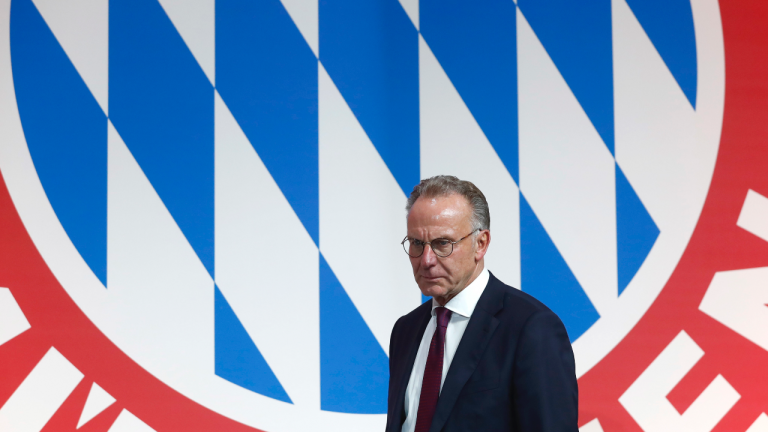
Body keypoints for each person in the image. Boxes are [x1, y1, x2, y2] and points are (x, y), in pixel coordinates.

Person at [386, 175, 578, 432]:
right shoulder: (405, 330)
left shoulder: (531, 328)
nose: (427, 259)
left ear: (481, 243)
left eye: (443, 243)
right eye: (417, 244)